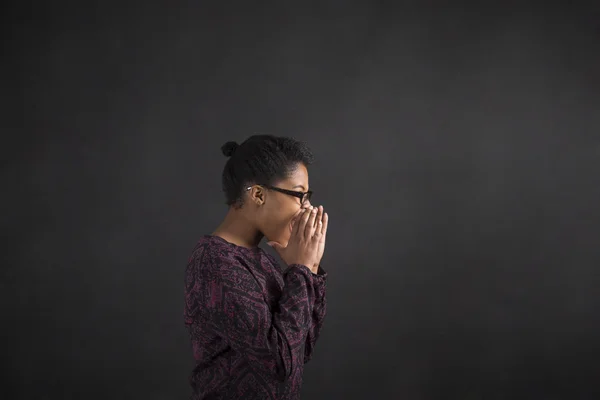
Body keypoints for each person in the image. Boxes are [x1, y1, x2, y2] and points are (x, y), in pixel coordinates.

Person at [184, 135, 329, 400]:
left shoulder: (260, 259)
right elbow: (280, 364)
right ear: (259, 195)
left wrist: (310, 270)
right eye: (299, 195)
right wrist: (301, 270)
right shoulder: (215, 262)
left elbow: (300, 350)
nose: (306, 208)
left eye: (308, 196)